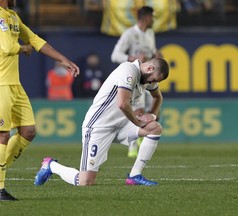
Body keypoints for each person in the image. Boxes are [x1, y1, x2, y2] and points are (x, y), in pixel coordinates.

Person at [34, 57, 169, 187]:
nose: (152, 83)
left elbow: (158, 97)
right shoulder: (129, 70)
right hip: (98, 127)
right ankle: (51, 165)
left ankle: (135, 176)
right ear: (150, 68)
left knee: (154, 127)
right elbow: (122, 104)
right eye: (153, 79)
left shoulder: (146, 78)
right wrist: (138, 122)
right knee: (85, 182)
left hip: (122, 124)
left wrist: (152, 115)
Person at [0, 0, 80, 201]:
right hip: (1, 84)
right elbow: (8, 46)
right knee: (2, 134)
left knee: (28, 131)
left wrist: (63, 59)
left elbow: (35, 39)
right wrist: (23, 49)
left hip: (14, 85)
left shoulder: (12, 16)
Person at [111, 6, 163, 158]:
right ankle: (132, 146)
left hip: (147, 79)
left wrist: (156, 54)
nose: (153, 20)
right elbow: (115, 55)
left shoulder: (150, 33)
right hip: (132, 78)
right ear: (146, 17)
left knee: (148, 111)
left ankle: (140, 141)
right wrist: (131, 58)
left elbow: (150, 52)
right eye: (152, 17)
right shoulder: (129, 34)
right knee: (138, 111)